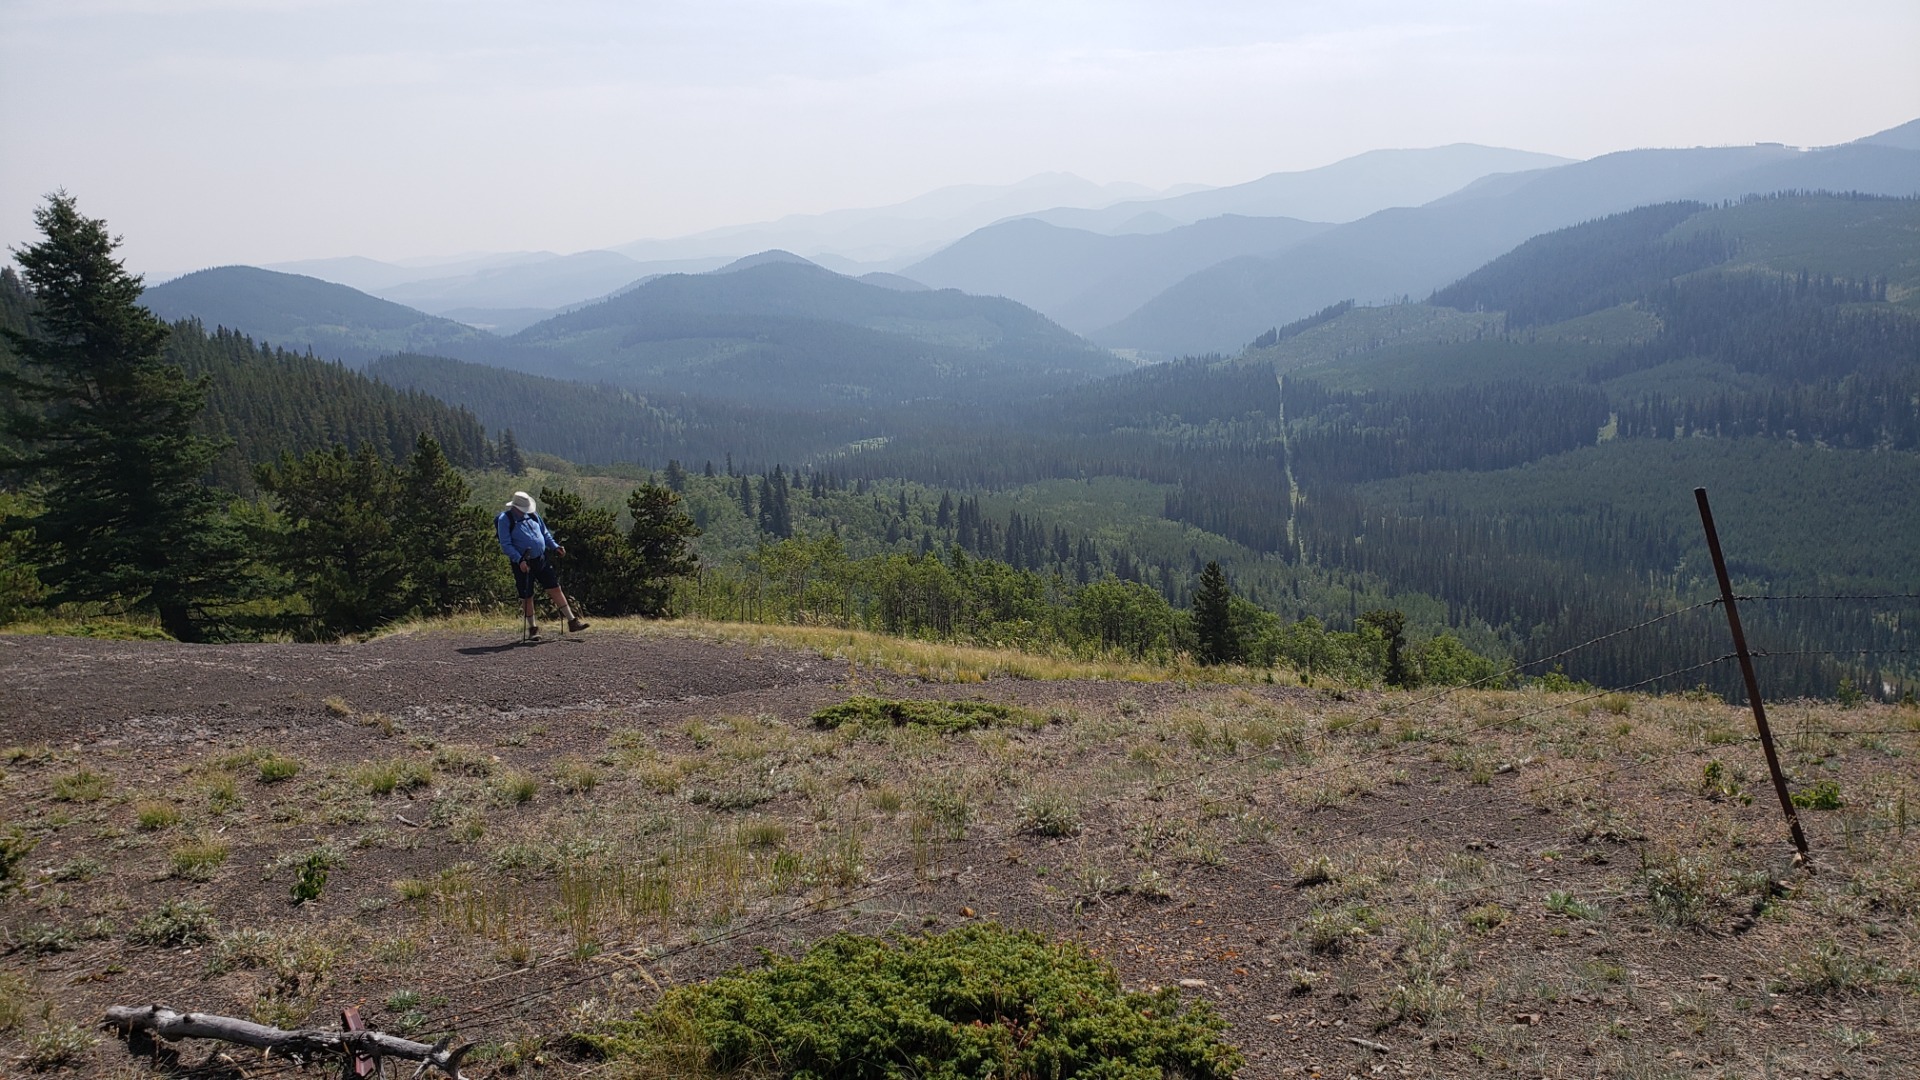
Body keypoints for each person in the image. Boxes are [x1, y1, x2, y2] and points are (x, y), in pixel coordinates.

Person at [495, 491, 589, 639]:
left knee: (555, 588)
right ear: (516, 507)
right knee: (527, 595)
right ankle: (533, 628)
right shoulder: (505, 520)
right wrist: (519, 560)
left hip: (541, 559)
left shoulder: (533, 515)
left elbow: (545, 534)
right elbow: (506, 545)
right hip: (523, 562)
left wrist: (555, 546)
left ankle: (572, 621)